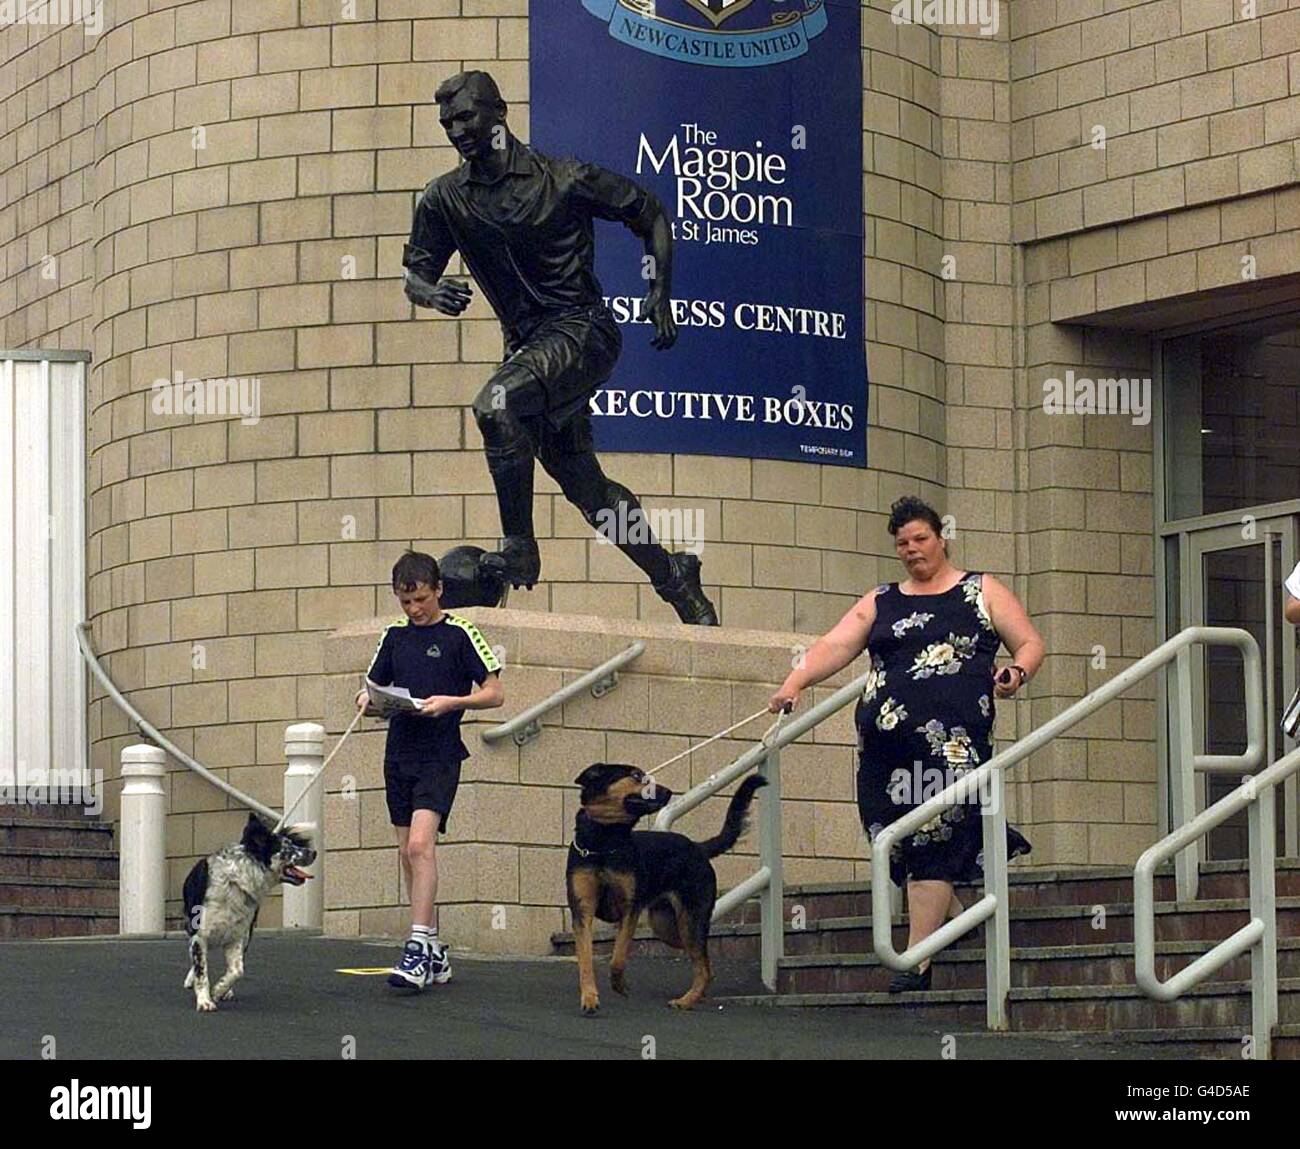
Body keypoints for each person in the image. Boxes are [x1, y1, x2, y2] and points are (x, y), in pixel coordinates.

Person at [401, 69, 717, 625]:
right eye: (447, 122)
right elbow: (416, 275)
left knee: (494, 405)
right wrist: (431, 291)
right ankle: (674, 577)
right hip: (528, 350)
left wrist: (659, 291)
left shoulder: (564, 178)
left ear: (498, 112)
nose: (457, 130)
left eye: (467, 117)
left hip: (583, 331)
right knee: (587, 489)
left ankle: (519, 544)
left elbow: (649, 212)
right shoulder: (445, 198)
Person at [770, 495, 1044, 991]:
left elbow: (1029, 641)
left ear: (941, 539)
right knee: (892, 838)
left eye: (921, 538)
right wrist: (795, 683)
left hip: (952, 745)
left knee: (931, 842)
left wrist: (1016, 672)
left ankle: (916, 960)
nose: (912, 549)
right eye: (902, 543)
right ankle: (953, 916)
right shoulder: (882, 599)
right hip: (883, 751)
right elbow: (836, 643)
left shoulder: (980, 590)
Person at [355, 550, 504, 991]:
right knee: (406, 851)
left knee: (421, 846)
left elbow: (495, 693)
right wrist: (367, 703)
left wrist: (452, 702)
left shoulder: (461, 633)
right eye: (405, 602)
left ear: (438, 590)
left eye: (420, 599)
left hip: (439, 753)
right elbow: (369, 689)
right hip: (398, 750)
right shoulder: (394, 637)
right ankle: (434, 946)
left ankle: (417, 945)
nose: (414, 609)